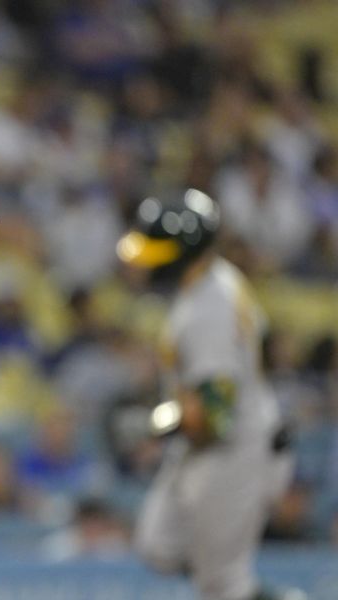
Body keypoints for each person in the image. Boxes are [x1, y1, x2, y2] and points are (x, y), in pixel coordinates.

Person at [116, 190, 296, 600]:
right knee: (158, 545)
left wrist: (153, 424)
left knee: (223, 587)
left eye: (155, 252)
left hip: (234, 450)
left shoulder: (207, 311)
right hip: (213, 445)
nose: (144, 262)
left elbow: (214, 416)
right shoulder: (212, 279)